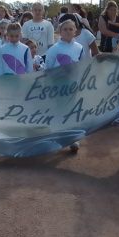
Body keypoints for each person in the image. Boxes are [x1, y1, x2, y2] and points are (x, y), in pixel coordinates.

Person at [45, 19, 84, 152]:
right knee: (59, 110)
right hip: (58, 85)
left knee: (72, 110)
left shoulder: (79, 48)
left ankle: (73, 138)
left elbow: (84, 65)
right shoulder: (54, 49)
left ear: (75, 31)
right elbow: (48, 68)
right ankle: (58, 136)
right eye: (65, 29)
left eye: (70, 29)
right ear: (60, 32)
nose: (68, 31)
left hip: (73, 85)